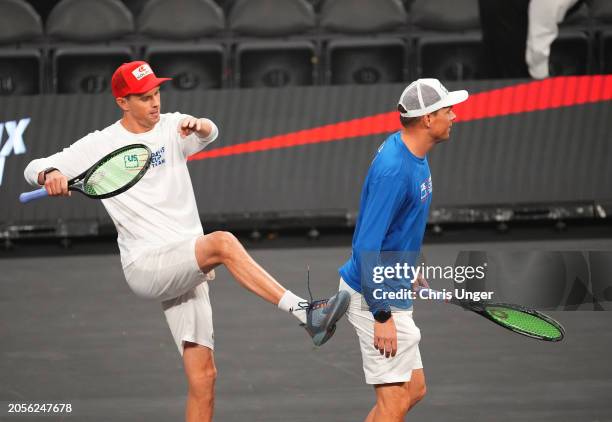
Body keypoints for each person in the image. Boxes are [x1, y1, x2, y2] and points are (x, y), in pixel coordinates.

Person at [23, 61, 349, 422]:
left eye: (157, 93)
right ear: (122, 102)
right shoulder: (100, 144)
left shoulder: (170, 125)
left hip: (184, 260)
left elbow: (210, 133)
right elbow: (34, 166)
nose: (155, 103)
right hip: (146, 265)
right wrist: (48, 173)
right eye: (144, 97)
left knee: (204, 377)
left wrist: (201, 124)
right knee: (222, 243)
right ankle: (306, 313)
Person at [338, 78, 468, 422]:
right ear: (427, 119)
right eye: (447, 110)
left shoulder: (413, 154)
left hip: (391, 284)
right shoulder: (395, 169)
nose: (454, 116)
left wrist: (407, 266)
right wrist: (381, 315)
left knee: (414, 390)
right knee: (393, 404)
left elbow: (395, 229)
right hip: (374, 298)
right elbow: (366, 243)